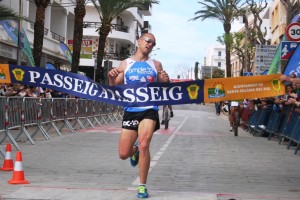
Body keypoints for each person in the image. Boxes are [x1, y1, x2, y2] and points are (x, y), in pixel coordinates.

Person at [108, 33, 170, 198]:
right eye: (148, 41)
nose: (151, 44)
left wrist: (165, 79)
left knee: (144, 145)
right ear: (139, 41)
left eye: (153, 43)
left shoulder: (155, 64)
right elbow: (116, 87)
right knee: (123, 154)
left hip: (149, 109)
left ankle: (142, 186)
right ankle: (133, 151)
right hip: (131, 110)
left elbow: (164, 86)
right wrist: (111, 78)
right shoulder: (126, 63)